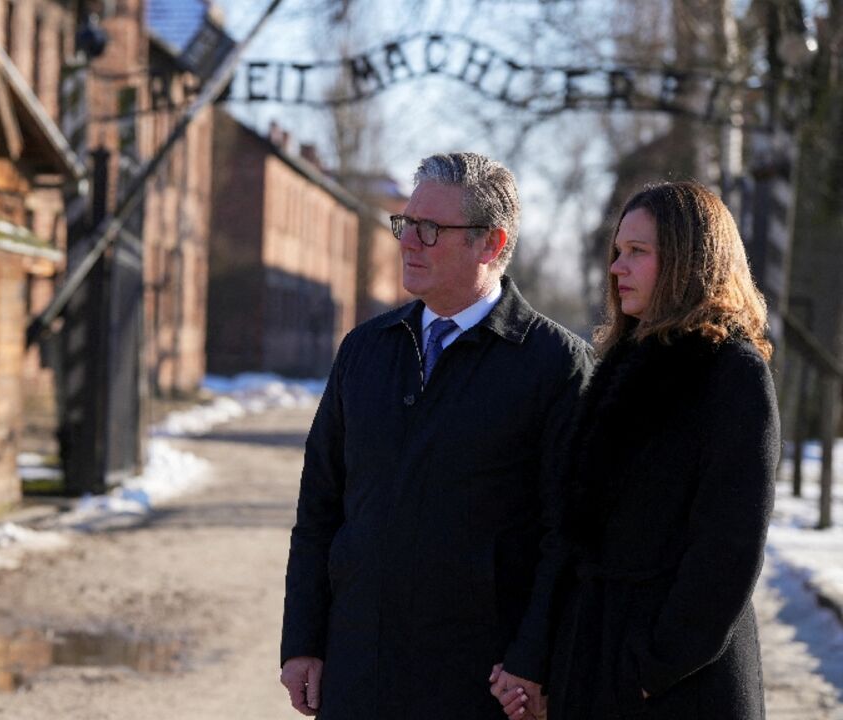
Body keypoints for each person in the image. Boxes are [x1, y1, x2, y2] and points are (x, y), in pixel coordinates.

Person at [279, 152, 593, 718]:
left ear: (491, 245)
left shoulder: (555, 365)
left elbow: (567, 536)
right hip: (358, 671)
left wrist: (533, 659)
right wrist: (303, 642)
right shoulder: (364, 350)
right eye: (405, 224)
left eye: (430, 229)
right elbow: (319, 508)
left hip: (480, 684)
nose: (408, 242)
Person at [502, 181, 778, 719]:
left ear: (687, 261)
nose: (616, 268)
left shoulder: (731, 373)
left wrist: (650, 669)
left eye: (637, 252)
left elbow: (728, 549)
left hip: (681, 686)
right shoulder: (621, 366)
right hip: (600, 665)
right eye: (617, 252)